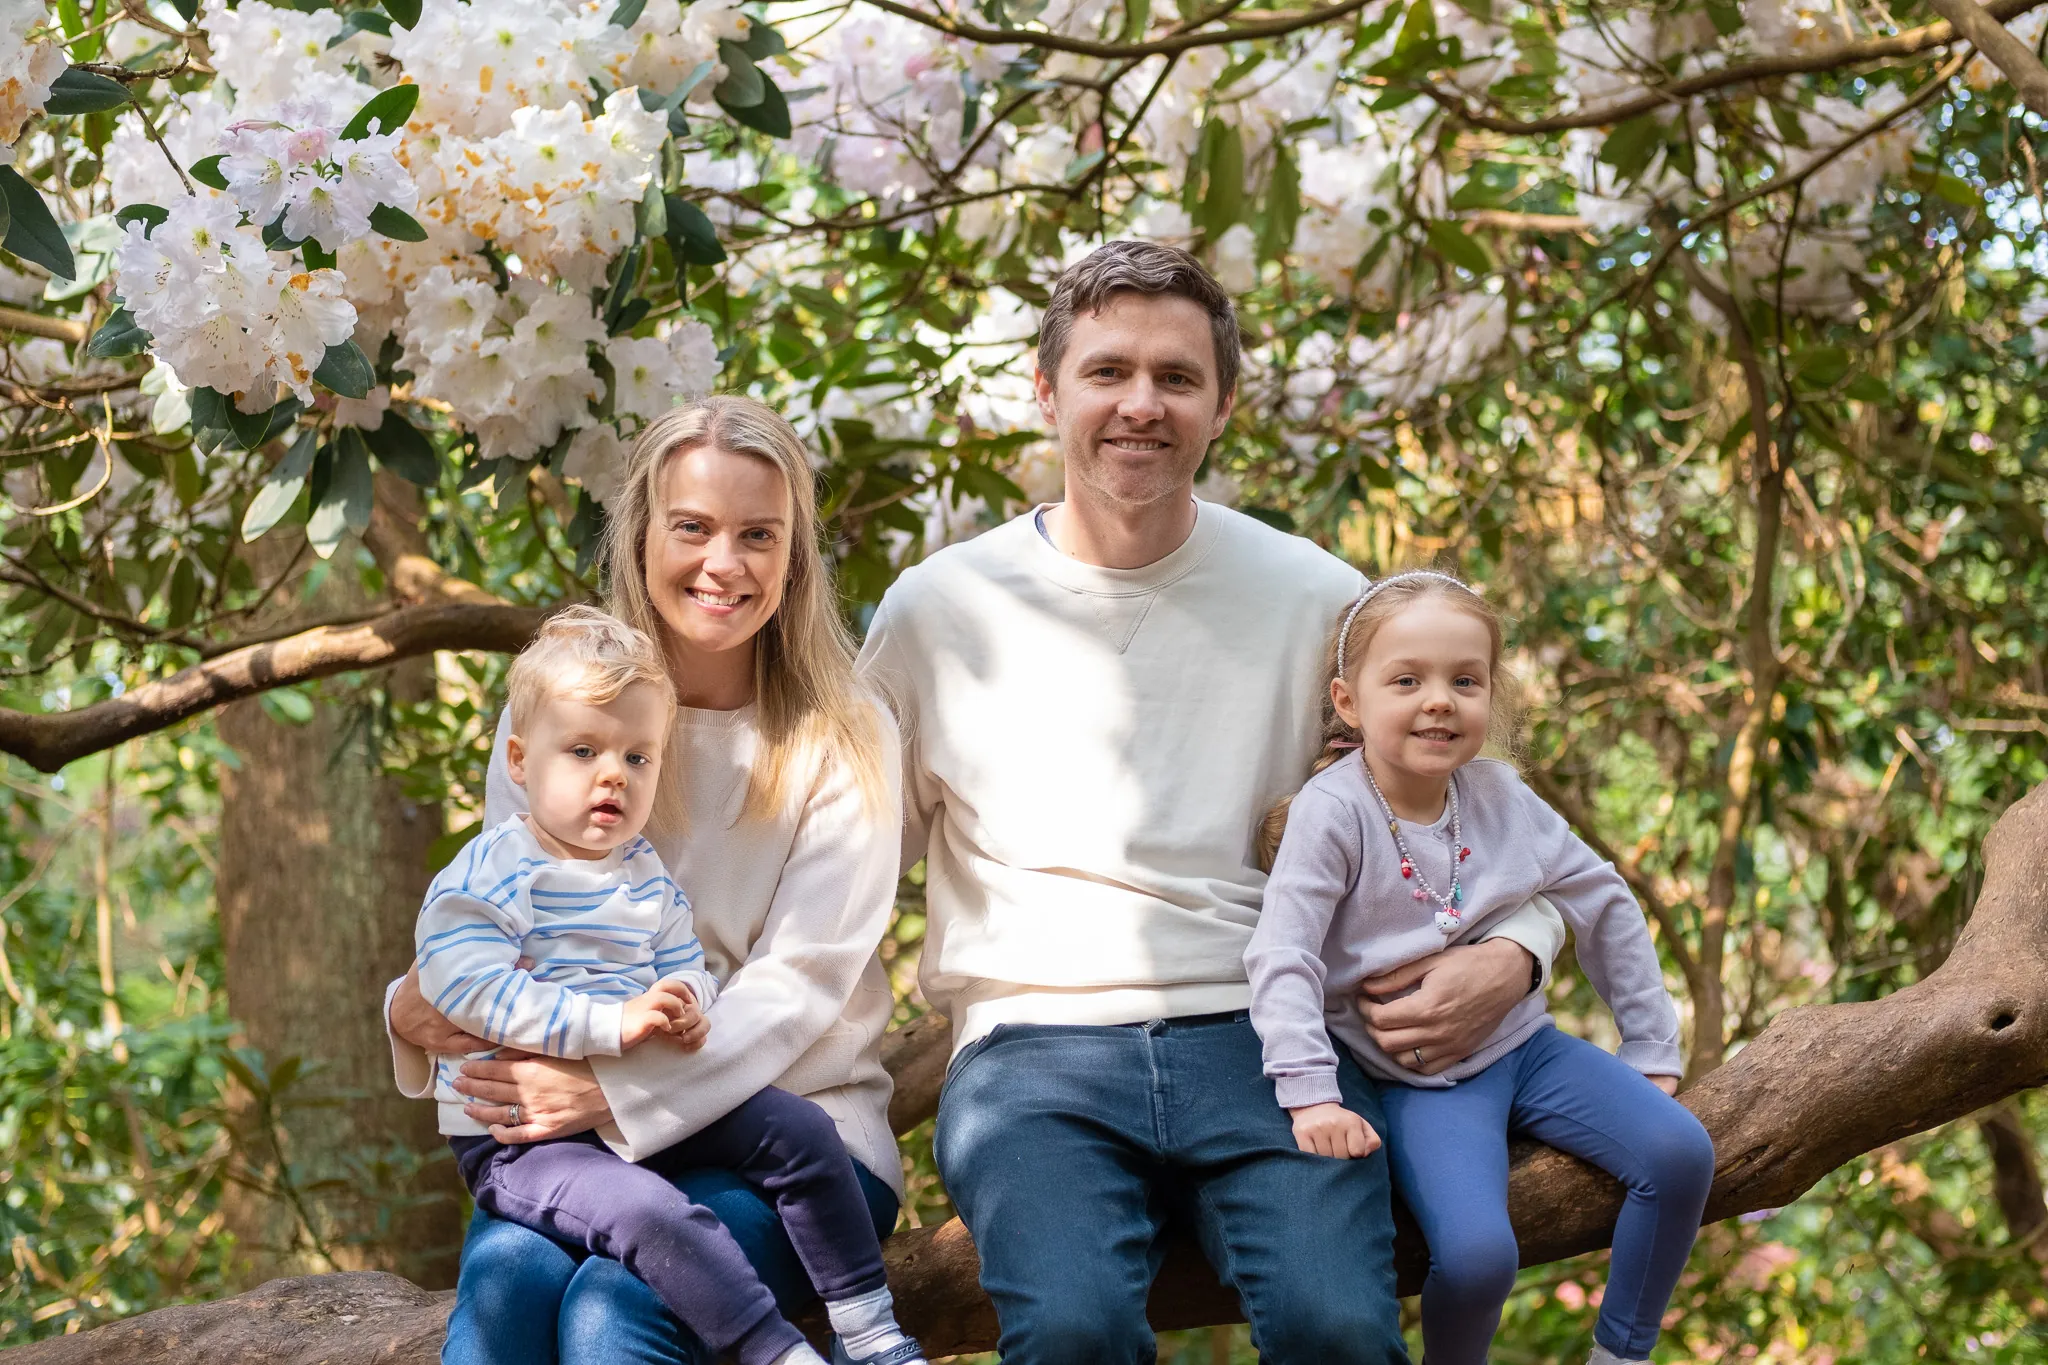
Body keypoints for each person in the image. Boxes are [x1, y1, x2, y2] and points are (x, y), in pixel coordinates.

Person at [856, 239, 1568, 1363]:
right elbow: (836, 868)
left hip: (1264, 1036)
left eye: (1175, 379)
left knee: (1340, 1329)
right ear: (1046, 391)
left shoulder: (1317, 599)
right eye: (1107, 372)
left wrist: (1521, 950)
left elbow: (1477, 818)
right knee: (1077, 1335)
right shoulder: (935, 609)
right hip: (1030, 1051)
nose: (1140, 405)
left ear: (1220, 404)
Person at [384, 396, 907, 1365]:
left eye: (759, 534)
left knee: (613, 1313)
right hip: (568, 1137)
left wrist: (608, 1091)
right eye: (694, 528)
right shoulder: (573, 703)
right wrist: (407, 1008)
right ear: (640, 534)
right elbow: (499, 924)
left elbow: (799, 989)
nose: (724, 563)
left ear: (795, 555)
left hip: (796, 1143)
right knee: (504, 1301)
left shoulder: (844, 732)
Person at [1246, 570, 1717, 1365]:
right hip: (1422, 1082)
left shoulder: (1498, 791)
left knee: (1680, 1156)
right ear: (1349, 700)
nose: (1440, 700)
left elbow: (1603, 898)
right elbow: (1282, 952)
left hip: (1527, 1049)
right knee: (1477, 1258)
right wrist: (1311, 1094)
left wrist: (1651, 1048)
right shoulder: (1334, 812)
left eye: (1465, 680)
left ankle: (1622, 1351)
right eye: (1408, 679)